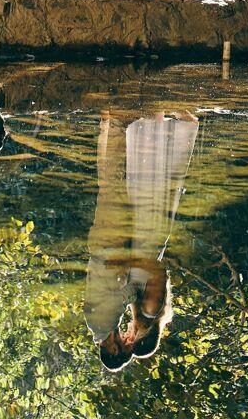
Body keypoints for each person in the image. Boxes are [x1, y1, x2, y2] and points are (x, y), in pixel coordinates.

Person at [84, 107, 198, 373]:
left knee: (112, 184)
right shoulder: (120, 320)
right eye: (130, 343)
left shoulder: (101, 325)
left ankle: (111, 124)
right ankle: (112, 124)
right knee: (116, 184)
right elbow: (131, 285)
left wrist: (129, 276)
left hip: (109, 246)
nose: (126, 338)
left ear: (113, 350)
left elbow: (120, 291)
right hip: (116, 246)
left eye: (125, 345)